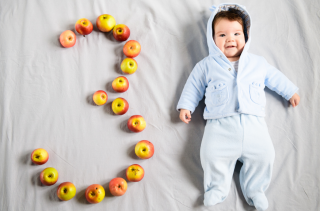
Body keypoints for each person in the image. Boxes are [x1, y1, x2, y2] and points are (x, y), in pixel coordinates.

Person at [176, 3, 300, 211]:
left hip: (254, 125)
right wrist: (186, 106)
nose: (230, 39)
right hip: (219, 126)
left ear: (246, 36)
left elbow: (274, 77)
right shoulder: (206, 65)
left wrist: (290, 91)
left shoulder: (258, 63)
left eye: (236, 33)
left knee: (265, 155)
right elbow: (194, 85)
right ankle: (216, 187)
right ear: (212, 40)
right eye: (222, 35)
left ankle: (255, 190)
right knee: (211, 154)